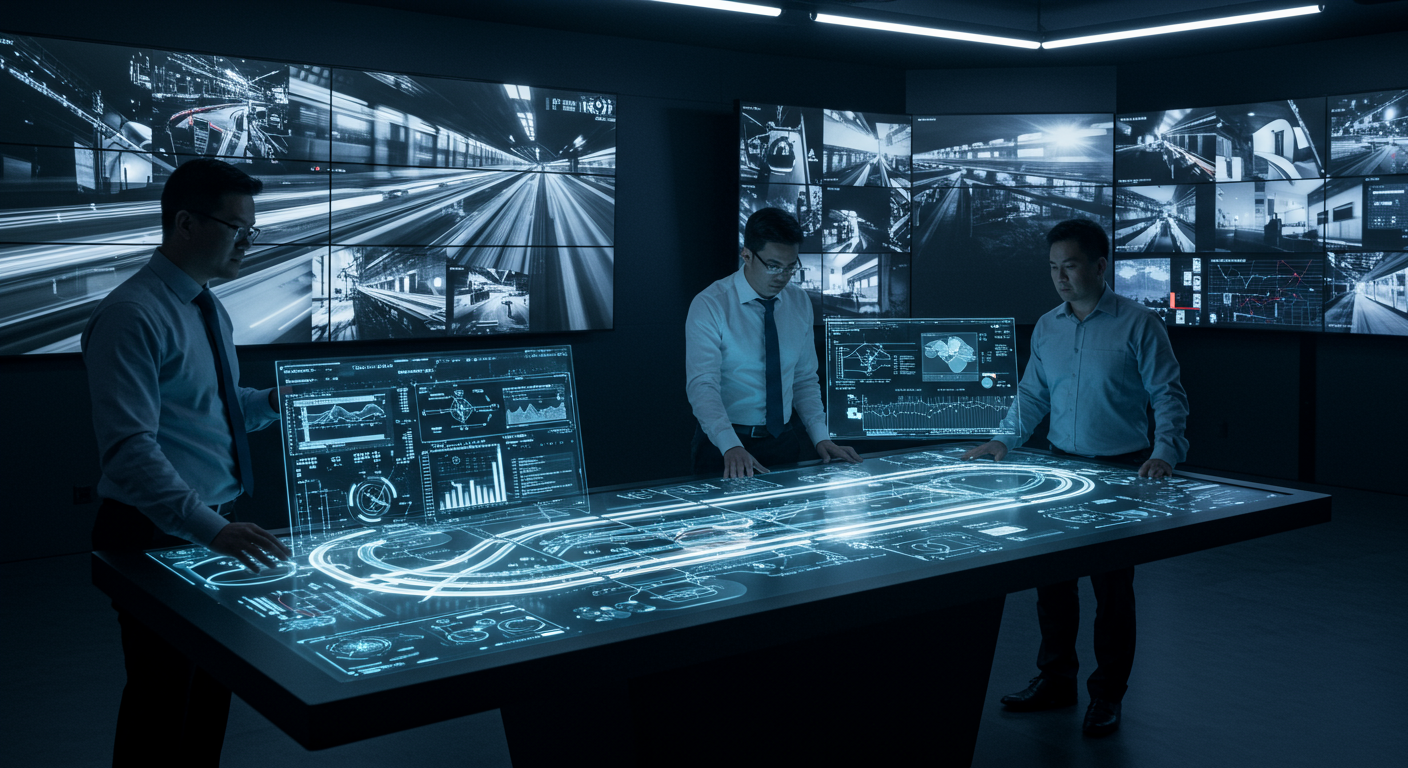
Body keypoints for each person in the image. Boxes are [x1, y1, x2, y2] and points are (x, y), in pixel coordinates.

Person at [83, 158, 292, 766]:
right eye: (238, 229)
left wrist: (278, 402)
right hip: (154, 535)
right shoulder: (132, 315)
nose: (247, 243)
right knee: (162, 705)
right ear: (185, 224)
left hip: (210, 531)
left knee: (207, 701)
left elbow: (217, 407)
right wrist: (212, 529)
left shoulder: (209, 307)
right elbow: (128, 451)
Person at [961, 217, 1189, 737]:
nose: (1060, 278)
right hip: (1059, 466)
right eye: (1053, 268)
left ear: (1100, 265)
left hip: (1120, 471)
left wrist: (1165, 452)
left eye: (1070, 266)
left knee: (1112, 592)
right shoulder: (1047, 326)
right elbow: (1033, 396)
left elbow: (1167, 395)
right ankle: (1056, 680)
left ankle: (1107, 695)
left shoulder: (1138, 324)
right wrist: (1003, 440)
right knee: (1053, 586)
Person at [686, 207, 861, 478]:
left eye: (791, 267)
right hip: (723, 446)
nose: (783, 276)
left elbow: (804, 379)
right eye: (773, 266)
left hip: (783, 442)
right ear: (746, 255)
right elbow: (703, 386)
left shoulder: (799, 301)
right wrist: (730, 445)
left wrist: (821, 438)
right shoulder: (711, 304)